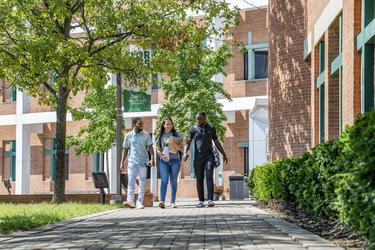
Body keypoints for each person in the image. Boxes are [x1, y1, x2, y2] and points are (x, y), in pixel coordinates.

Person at [183, 111, 228, 208]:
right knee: (199, 179)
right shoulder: (193, 129)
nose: (197, 120)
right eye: (196, 118)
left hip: (209, 157)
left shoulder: (211, 129)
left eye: (199, 118)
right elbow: (188, 142)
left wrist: (223, 153)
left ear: (204, 119)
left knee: (209, 177)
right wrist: (185, 152)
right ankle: (201, 201)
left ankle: (210, 200)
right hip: (197, 158)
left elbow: (216, 142)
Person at [121, 117, 155, 209]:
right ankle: (130, 201)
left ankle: (139, 202)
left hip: (143, 162)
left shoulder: (146, 135)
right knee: (131, 181)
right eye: (139, 124)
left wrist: (152, 159)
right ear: (134, 125)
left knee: (142, 181)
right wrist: (122, 162)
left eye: (142, 124)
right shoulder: (128, 135)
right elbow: (125, 149)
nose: (141, 125)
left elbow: (151, 148)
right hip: (132, 161)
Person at [156, 117, 184, 209]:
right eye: (167, 124)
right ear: (163, 125)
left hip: (175, 161)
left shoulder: (176, 134)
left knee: (173, 181)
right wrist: (161, 157)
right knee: (164, 181)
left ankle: (172, 202)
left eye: (170, 124)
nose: (169, 126)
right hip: (164, 161)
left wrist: (172, 144)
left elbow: (181, 149)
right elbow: (158, 149)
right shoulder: (160, 135)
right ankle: (162, 201)